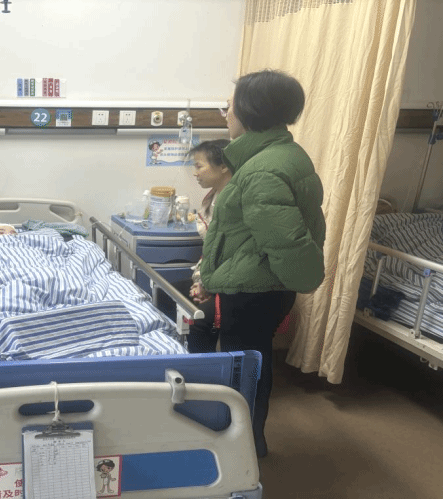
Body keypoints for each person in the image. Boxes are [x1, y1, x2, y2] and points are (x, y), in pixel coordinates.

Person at [188, 69, 326, 458]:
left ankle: (242, 449)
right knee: (252, 363)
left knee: (244, 370)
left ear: (250, 111)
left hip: (255, 292)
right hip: (259, 287)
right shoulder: (277, 156)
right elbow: (247, 237)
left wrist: (297, 280)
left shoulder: (263, 168)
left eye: (228, 106)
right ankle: (247, 442)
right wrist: (214, 277)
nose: (225, 114)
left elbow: (285, 241)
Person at [186, 139, 232, 304]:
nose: (195, 173)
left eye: (199, 166)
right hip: (213, 279)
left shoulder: (234, 204)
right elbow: (210, 251)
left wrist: (206, 287)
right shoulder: (212, 199)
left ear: (223, 166)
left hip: (231, 285)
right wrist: (199, 281)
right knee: (163, 292)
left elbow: (229, 256)